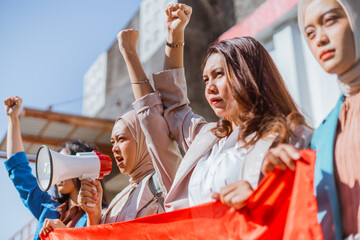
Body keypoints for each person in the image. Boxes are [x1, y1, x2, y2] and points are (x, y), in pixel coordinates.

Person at [116, 3, 313, 213]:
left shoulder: (290, 136)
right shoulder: (209, 139)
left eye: (218, 75)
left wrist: (259, 199)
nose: (209, 87)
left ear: (247, 74)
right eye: (205, 79)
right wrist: (174, 36)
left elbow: (308, 203)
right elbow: (173, 106)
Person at [263, 0, 360, 239]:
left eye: (330, 20)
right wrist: (274, 179)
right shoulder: (324, 133)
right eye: (310, 33)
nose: (320, 38)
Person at [4, 96, 97, 240]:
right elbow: (19, 171)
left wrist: (65, 234)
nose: (56, 170)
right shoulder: (48, 208)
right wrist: (13, 119)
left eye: (64, 163)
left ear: (82, 167)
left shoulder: (101, 215)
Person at [77, 110, 181, 225]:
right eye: (112, 142)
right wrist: (93, 214)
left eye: (121, 139)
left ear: (144, 138)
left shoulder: (167, 179)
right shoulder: (118, 199)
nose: (114, 148)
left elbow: (148, 107)